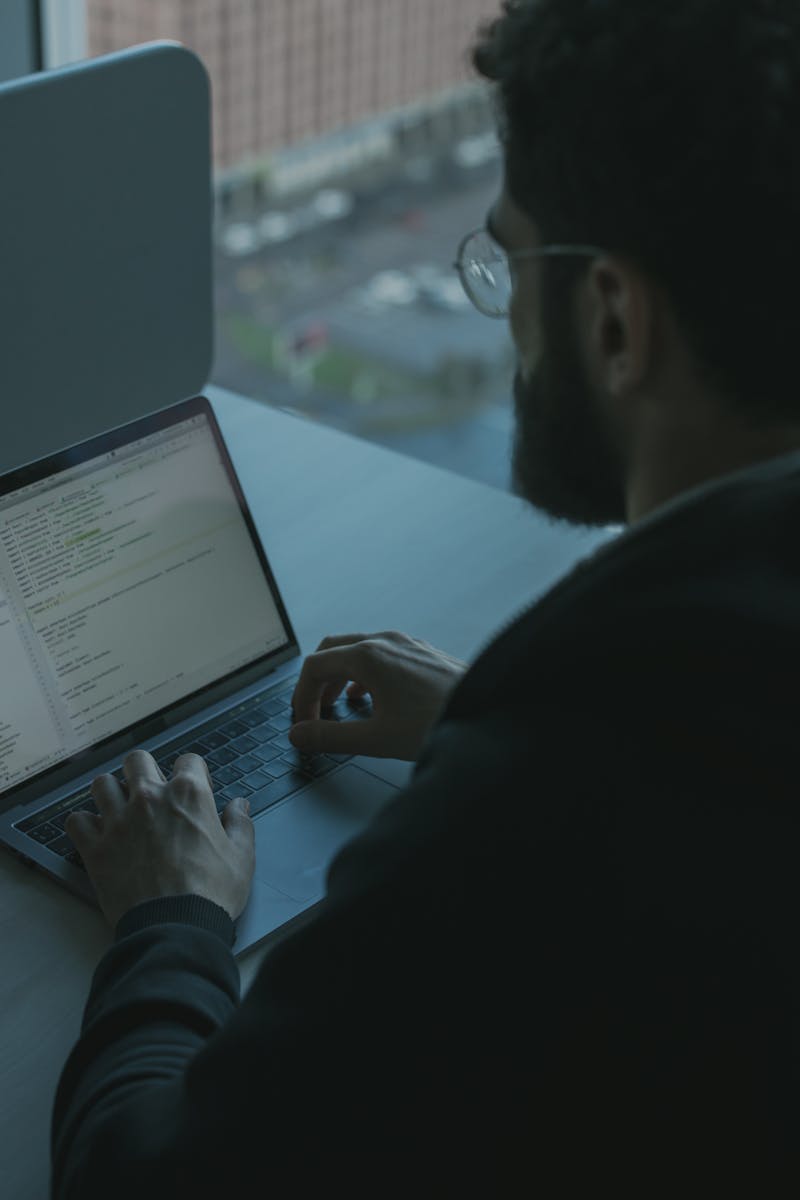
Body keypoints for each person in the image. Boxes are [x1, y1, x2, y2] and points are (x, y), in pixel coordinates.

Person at [52, 1, 800, 1194]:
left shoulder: (547, 809)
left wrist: (170, 921)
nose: (500, 309)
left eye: (510, 260)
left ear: (613, 319)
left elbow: (143, 1181)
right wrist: (482, 721)